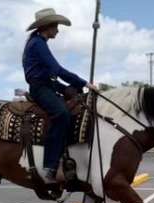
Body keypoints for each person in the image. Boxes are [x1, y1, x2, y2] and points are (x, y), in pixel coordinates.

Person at [23, 8, 98, 183]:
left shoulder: (40, 42)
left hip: (49, 85)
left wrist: (68, 88)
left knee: (76, 101)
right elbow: (57, 69)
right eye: (56, 26)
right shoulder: (37, 44)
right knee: (61, 114)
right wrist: (85, 83)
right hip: (40, 88)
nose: (58, 29)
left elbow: (52, 74)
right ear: (47, 27)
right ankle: (49, 165)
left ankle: (69, 158)